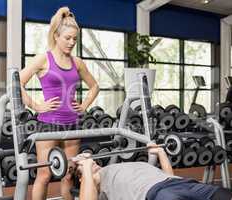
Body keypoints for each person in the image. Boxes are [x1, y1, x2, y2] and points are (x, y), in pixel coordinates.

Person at [19, 6, 99, 200]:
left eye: (75, 39)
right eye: (67, 38)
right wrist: (36, 106)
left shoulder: (77, 62)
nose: (72, 43)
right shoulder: (43, 59)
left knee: (68, 175)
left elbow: (94, 86)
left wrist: (85, 105)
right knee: (44, 175)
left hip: (72, 124)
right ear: (56, 36)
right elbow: (16, 84)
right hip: (48, 124)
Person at [73, 144, 232, 200]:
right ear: (82, 179)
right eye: (87, 164)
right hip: (158, 194)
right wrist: (85, 167)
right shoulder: (95, 188)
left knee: (224, 195)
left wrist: (161, 154)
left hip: (181, 183)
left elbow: (167, 176)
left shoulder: (115, 167)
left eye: (92, 161)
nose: (93, 162)